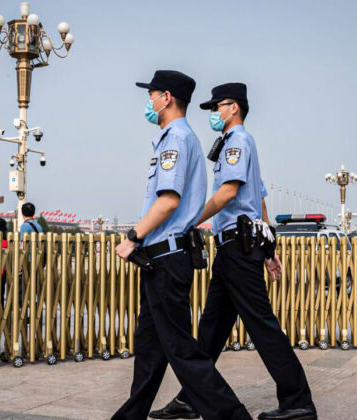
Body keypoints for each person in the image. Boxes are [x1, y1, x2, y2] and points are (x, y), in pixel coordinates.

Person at [150, 83, 316, 420]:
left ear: (234, 108)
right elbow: (261, 198)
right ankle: (190, 399)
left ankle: (298, 402)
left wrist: (188, 219)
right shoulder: (237, 143)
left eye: (217, 107)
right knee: (211, 328)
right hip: (236, 247)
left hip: (238, 248)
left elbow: (227, 193)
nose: (213, 113)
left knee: (261, 324)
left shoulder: (237, 141)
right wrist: (268, 246)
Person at [112, 70, 251, 420]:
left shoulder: (175, 138)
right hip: (164, 257)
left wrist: (132, 237)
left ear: (167, 98)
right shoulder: (174, 137)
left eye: (153, 94)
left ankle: (234, 416)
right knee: (150, 349)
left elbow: (169, 201)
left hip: (167, 257)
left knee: (182, 351)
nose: (149, 102)